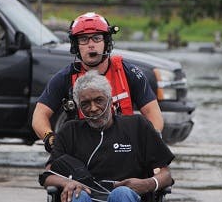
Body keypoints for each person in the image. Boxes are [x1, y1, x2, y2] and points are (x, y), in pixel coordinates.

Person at [32, 12, 164, 152]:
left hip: (125, 149)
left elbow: (152, 112)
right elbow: (39, 115)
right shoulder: (64, 78)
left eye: (96, 38)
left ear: (106, 42)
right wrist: (49, 137)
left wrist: (150, 140)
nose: (91, 45)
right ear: (75, 45)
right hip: (84, 150)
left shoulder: (129, 72)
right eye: (83, 39)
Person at [39, 71, 174, 202]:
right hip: (86, 195)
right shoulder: (70, 131)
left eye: (99, 100)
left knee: (122, 193)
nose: (93, 108)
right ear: (79, 107)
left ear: (110, 101)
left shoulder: (138, 126)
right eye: (85, 104)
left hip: (128, 196)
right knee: (77, 194)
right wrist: (67, 182)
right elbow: (48, 176)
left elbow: (166, 175)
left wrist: (148, 184)